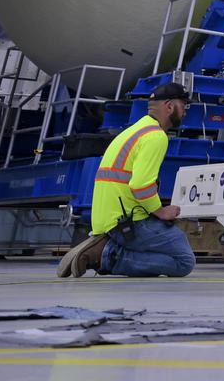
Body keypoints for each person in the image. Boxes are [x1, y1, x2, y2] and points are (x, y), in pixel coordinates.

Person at [56, 82, 196, 278]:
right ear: (170, 106)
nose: (185, 112)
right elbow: (140, 185)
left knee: (169, 249)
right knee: (184, 261)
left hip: (107, 220)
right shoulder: (156, 137)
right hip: (127, 222)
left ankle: (107, 247)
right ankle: (105, 254)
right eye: (183, 105)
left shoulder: (134, 131)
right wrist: (161, 211)